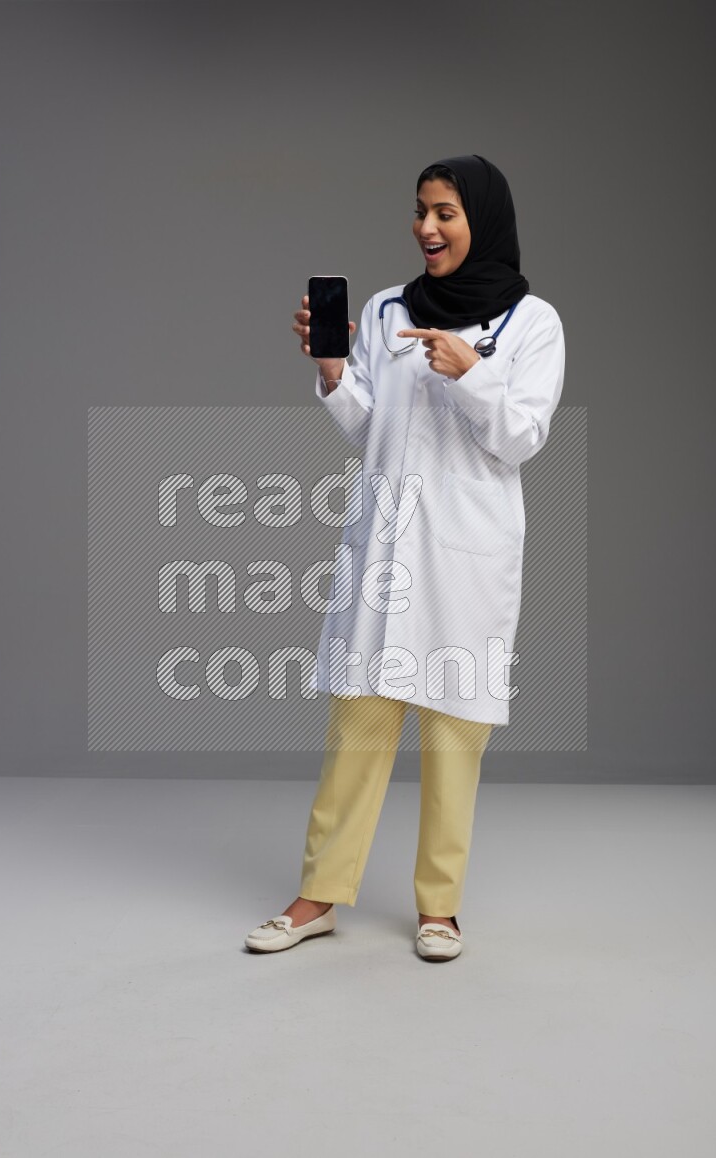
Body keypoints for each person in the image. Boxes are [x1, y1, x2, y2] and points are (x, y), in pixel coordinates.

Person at [244, 155, 565, 961]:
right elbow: (368, 426)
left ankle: (440, 908)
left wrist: (473, 374)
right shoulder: (387, 310)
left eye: (446, 213)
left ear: (480, 221)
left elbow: (521, 436)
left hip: (465, 556)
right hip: (385, 546)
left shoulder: (532, 325)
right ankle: (319, 895)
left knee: (456, 737)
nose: (426, 227)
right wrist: (330, 369)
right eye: (421, 210)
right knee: (357, 726)